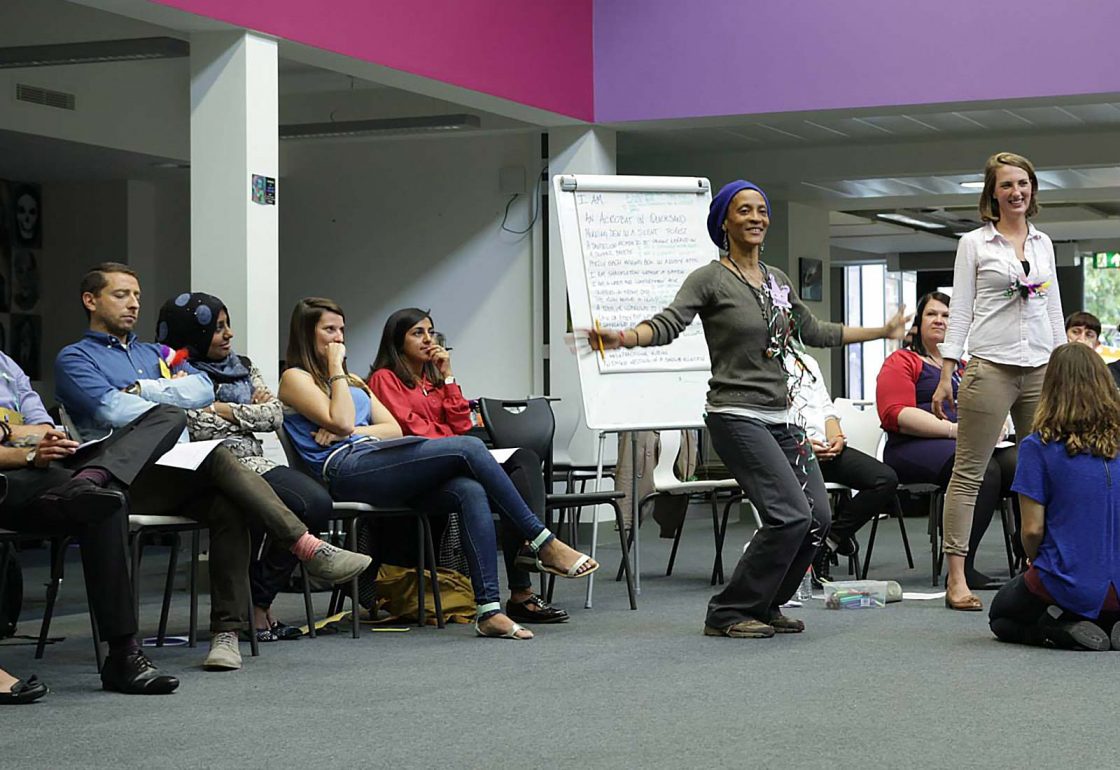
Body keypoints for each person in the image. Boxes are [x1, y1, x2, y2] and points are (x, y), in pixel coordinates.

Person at [588, 179, 909, 639]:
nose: (756, 218)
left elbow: (813, 330)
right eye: (744, 211)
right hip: (735, 416)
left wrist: (881, 331)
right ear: (724, 221)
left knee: (816, 517)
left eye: (761, 209)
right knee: (789, 515)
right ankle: (728, 611)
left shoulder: (777, 279)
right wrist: (624, 338)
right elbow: (668, 323)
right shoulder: (710, 278)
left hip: (782, 417)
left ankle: (767, 602)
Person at [54, 263, 370, 670]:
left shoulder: (157, 354)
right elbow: (115, 410)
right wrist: (171, 404)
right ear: (90, 300)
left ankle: (227, 636)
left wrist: (148, 388)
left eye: (136, 296)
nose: (133, 304)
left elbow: (201, 386)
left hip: (175, 469)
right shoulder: (75, 358)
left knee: (228, 502)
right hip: (120, 476)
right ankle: (306, 546)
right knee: (216, 453)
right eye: (120, 295)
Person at [279, 297, 599, 640]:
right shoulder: (295, 378)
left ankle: (489, 610)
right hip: (344, 470)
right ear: (305, 334)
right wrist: (336, 377)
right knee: (470, 447)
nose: (339, 338)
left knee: (469, 490)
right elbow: (342, 418)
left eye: (342, 329)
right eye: (329, 330)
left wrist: (351, 429)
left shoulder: (354, 380)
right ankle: (542, 541)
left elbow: (391, 429)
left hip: (381, 457)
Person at [0, 348, 184, 694]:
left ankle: (93, 477)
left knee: (168, 416)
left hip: (53, 470)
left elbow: (42, 426)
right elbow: (29, 437)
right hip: (12, 481)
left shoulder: (6, 364)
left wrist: (27, 436)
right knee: (107, 503)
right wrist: (24, 449)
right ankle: (124, 657)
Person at [368, 308, 567, 624]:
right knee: (491, 464)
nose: (428, 339)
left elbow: (462, 423)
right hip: (415, 468)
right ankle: (535, 554)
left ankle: (523, 583)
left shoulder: (432, 379)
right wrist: (454, 441)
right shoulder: (384, 379)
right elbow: (408, 428)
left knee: (524, 461)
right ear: (397, 340)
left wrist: (448, 376)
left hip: (454, 461)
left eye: (430, 332)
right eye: (417, 333)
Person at [156, 292, 334, 642]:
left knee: (315, 504)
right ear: (193, 333)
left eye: (228, 325)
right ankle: (250, 611)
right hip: (205, 466)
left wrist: (221, 409)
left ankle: (257, 599)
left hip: (255, 462)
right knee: (259, 511)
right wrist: (244, 414)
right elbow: (192, 425)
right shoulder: (172, 369)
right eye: (218, 327)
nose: (228, 334)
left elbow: (274, 414)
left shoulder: (243, 365)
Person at [932, 152, 1065, 611]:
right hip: (989, 365)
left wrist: (1064, 364)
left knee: (1042, 472)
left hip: (1042, 369)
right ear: (993, 194)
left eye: (1024, 184)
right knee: (968, 473)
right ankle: (956, 578)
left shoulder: (1044, 243)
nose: (1017, 192)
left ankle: (1041, 573)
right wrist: (948, 371)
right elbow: (962, 310)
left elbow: (1053, 309)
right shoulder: (974, 243)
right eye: (1007, 185)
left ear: (1033, 190)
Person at [877, 291, 1017, 592]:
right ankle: (962, 566)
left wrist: (999, 423)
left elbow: (993, 403)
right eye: (932, 314)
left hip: (965, 442)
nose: (939, 320)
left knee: (1023, 463)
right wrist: (955, 430)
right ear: (919, 322)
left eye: (947, 316)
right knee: (986, 471)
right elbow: (895, 414)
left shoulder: (964, 367)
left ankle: (1028, 558)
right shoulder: (903, 360)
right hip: (912, 446)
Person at [988, 343, 1120, 651]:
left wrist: (1035, 562)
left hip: (1071, 582)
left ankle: (1059, 629)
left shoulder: (1038, 448)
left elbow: (1032, 530)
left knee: (1002, 616)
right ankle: (1109, 621)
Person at [786, 348, 898, 584]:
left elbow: (827, 410)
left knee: (884, 479)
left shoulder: (806, 361)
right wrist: (803, 444)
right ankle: (817, 548)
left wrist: (837, 437)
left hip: (827, 450)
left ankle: (829, 541)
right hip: (792, 453)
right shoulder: (760, 365)